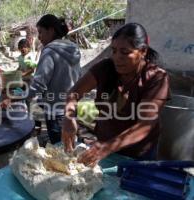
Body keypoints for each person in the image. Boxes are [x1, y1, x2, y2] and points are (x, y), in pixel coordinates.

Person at [62, 23, 170, 166]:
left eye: (125, 52)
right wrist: (69, 117)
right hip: (103, 148)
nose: (117, 57)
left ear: (143, 51)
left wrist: (108, 147)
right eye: (114, 51)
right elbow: (73, 94)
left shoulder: (156, 78)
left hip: (137, 156)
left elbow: (144, 125)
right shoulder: (105, 68)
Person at [25, 14, 81, 144]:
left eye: (41, 32)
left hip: (55, 112)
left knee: (60, 151)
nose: (39, 37)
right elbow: (79, 77)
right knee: (70, 147)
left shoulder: (49, 51)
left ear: (51, 30)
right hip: (71, 110)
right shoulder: (74, 49)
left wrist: (23, 97)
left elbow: (39, 84)